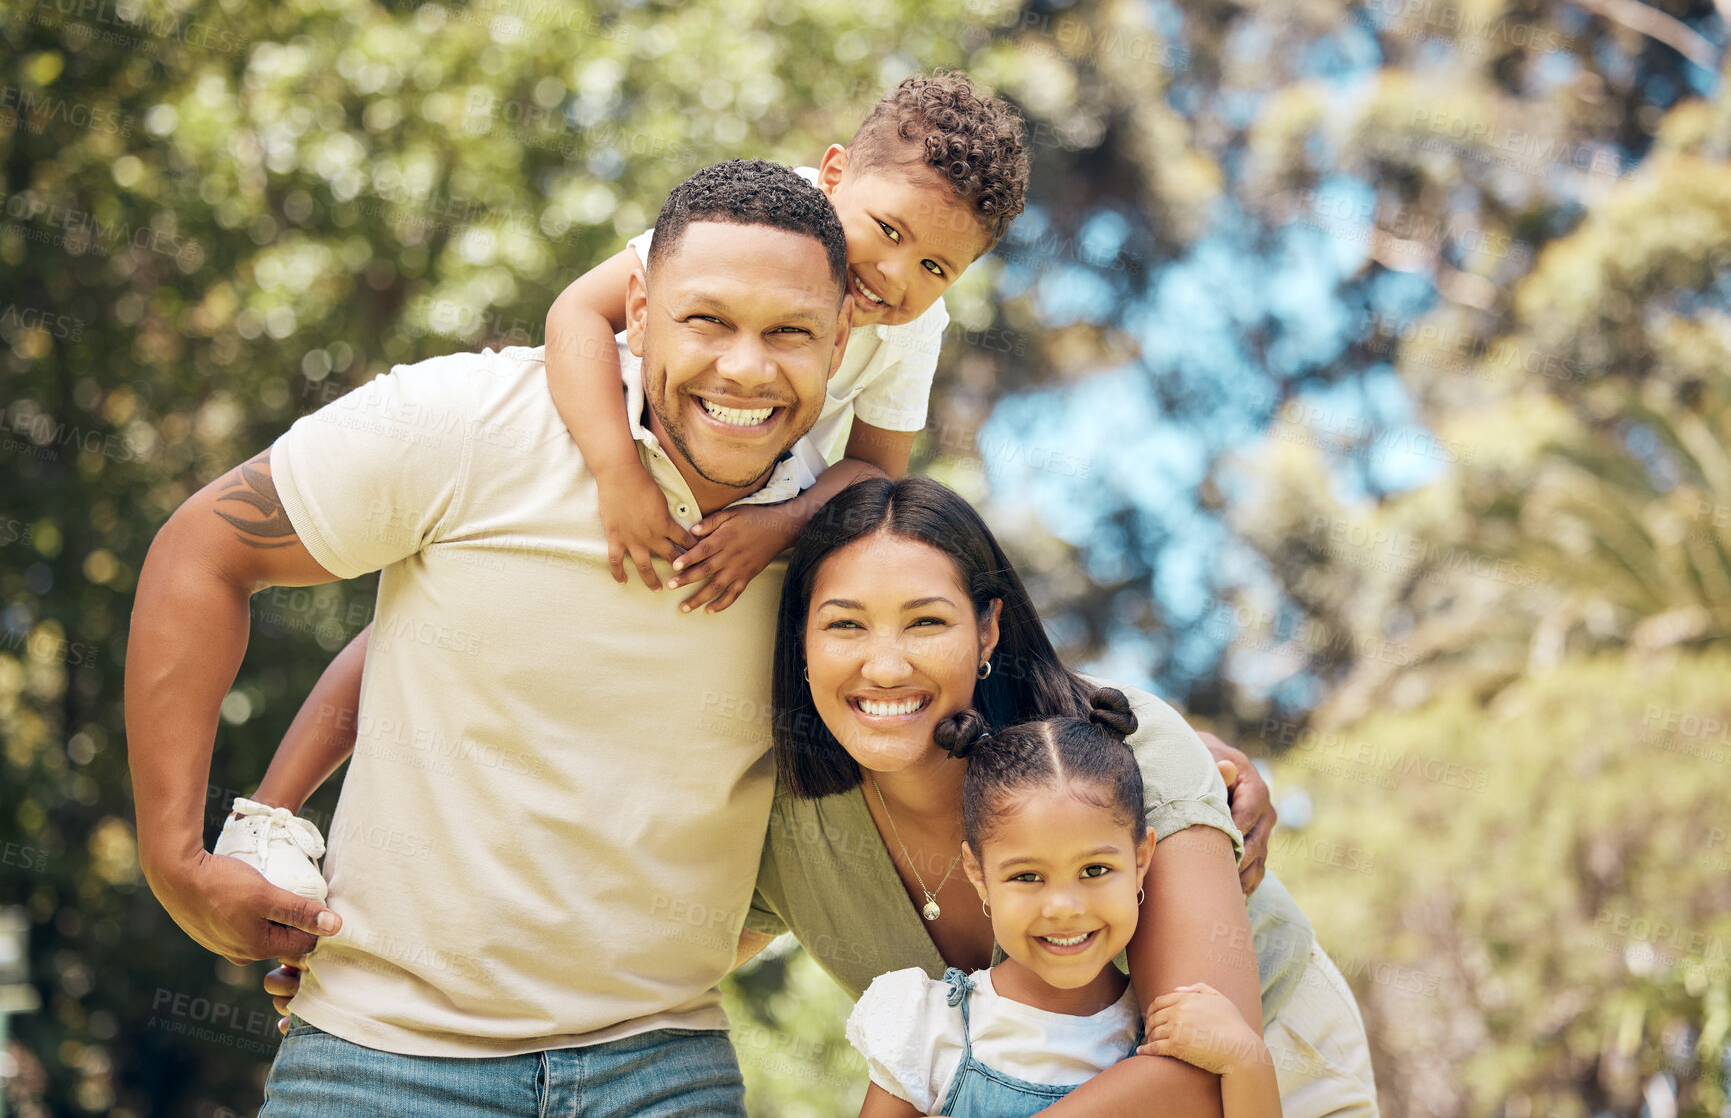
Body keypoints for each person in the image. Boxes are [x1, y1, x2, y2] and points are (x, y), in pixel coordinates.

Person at [267, 478, 1380, 1114]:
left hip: (1268, 1082)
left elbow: (1195, 1078)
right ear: (793, 642)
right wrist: (371, 946)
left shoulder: (1124, 755)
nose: (883, 667)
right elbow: (603, 922)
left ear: (989, 629)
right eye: (843, 625)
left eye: (926, 623)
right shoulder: (782, 820)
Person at [125, 159, 855, 1117]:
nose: (747, 368)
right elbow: (202, 551)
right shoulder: (471, 422)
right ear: (637, 309)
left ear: (842, 339)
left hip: (661, 1066)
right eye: (707, 320)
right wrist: (174, 859)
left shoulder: (844, 550)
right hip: (377, 1064)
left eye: (790, 331)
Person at [541, 71, 1028, 613]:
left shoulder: (914, 326)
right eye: (889, 230)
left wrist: (780, 525)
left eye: (934, 267)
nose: (895, 274)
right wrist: (618, 474)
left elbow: (875, 466)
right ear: (834, 175)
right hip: (636, 434)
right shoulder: (756, 221)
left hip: (753, 477)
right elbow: (579, 312)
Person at [846, 694, 1280, 1117]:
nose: (1064, 907)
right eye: (1027, 876)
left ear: (1141, 860)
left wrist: (1246, 1061)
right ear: (979, 875)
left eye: (1094, 871)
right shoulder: (929, 1030)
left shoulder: (1176, 1031)